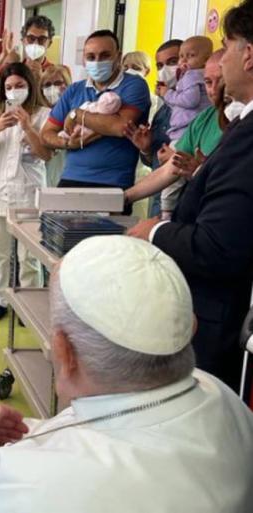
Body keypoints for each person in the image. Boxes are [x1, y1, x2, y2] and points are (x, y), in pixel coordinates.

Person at [0, 235, 253, 513]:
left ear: (64, 353)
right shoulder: (223, 399)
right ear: (188, 328)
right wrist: (6, 431)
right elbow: (120, 428)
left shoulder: (30, 488)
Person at [127, 0, 253, 391]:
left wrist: (154, 232)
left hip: (220, 321)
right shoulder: (237, 124)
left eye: (227, 46)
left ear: (247, 54)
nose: (220, 60)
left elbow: (217, 245)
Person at [0, 63, 51, 322]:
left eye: (19, 86)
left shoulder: (44, 115)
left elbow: (46, 154)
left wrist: (28, 128)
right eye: (8, 87)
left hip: (30, 194)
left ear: (30, 86)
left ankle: (28, 302)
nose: (14, 91)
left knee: (29, 254)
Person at [41, 30, 151, 199]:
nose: (97, 62)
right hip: (70, 178)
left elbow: (120, 126)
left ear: (118, 57)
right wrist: (69, 143)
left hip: (113, 183)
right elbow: (46, 134)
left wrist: (77, 115)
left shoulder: (134, 85)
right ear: (84, 61)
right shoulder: (75, 90)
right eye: (91, 57)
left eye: (105, 56)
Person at [125, 49, 229, 208]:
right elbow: (169, 168)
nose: (214, 89)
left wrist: (199, 171)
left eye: (221, 80)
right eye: (208, 82)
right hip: (180, 211)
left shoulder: (241, 120)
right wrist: (124, 198)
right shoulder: (205, 118)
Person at [123, 39, 182, 217]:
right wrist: (146, 148)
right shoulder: (163, 111)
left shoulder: (200, 111)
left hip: (183, 202)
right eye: (160, 65)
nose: (166, 69)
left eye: (173, 62)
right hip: (158, 198)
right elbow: (154, 161)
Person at [156, 36, 214, 218]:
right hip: (184, 138)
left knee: (170, 177)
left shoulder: (192, 75)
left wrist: (168, 94)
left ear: (206, 59)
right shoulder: (163, 110)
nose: (184, 62)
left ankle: (165, 212)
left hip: (184, 139)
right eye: (182, 57)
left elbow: (190, 100)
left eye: (190, 56)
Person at [0, 15, 57, 92]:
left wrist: (41, 80)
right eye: (31, 38)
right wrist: (3, 56)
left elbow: (58, 101)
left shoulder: (56, 72)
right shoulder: (14, 67)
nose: (36, 43)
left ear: (49, 43)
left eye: (42, 39)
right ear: (23, 40)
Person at [40, 65, 72, 186]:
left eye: (58, 83)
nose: (53, 88)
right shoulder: (39, 114)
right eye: (47, 85)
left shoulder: (76, 112)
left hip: (67, 174)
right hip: (43, 176)